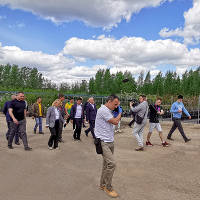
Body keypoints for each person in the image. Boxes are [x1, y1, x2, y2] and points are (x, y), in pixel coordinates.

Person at [95, 95, 122, 198]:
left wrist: (116, 112)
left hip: (110, 140)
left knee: (106, 165)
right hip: (103, 142)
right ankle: (108, 187)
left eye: (117, 105)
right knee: (112, 164)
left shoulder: (109, 110)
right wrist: (120, 113)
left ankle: (102, 185)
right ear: (109, 101)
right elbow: (115, 122)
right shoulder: (103, 110)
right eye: (115, 104)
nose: (116, 106)